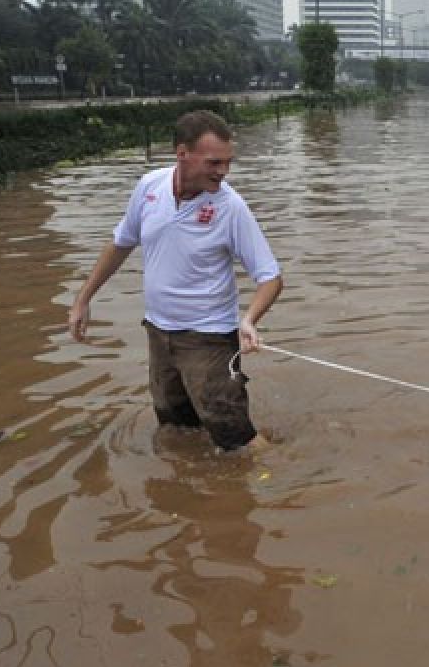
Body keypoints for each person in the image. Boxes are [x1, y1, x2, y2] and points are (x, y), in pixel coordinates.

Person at [68, 110, 283, 452]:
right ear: (182, 154)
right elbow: (121, 243)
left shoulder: (231, 207)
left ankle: (284, 484)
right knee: (176, 425)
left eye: (228, 162)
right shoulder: (149, 187)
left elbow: (270, 277)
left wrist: (249, 320)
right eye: (214, 162)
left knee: (235, 438)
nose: (223, 172)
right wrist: (83, 300)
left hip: (209, 340)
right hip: (158, 333)